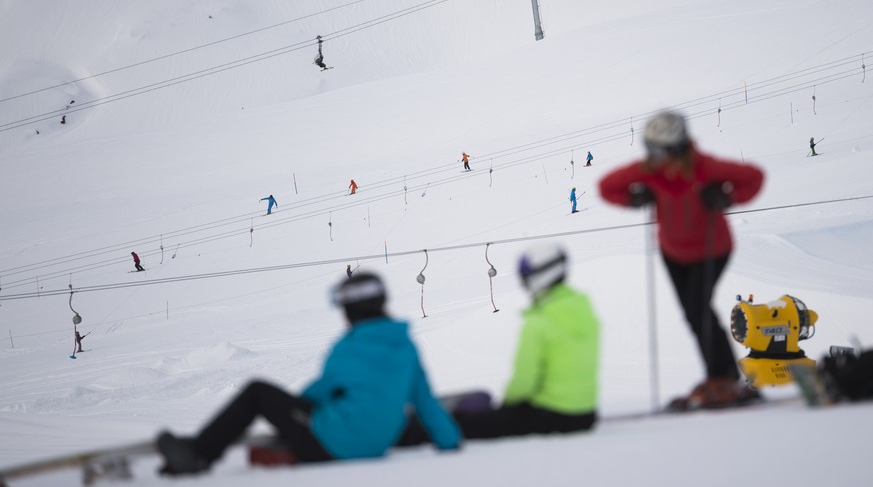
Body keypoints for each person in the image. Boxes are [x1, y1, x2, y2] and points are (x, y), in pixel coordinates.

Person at [156, 272, 461, 475]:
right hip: (378, 446)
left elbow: (321, 391)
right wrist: (450, 442)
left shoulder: (349, 345)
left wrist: (292, 415)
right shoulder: (405, 346)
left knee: (258, 392)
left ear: (348, 310)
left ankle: (198, 455)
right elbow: (425, 401)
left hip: (334, 447)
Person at [598, 110, 764, 409]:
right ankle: (720, 377)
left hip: (712, 249)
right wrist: (633, 198)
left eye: (656, 149)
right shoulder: (649, 171)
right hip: (674, 252)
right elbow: (607, 186)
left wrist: (727, 197)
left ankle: (723, 378)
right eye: (648, 147)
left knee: (698, 310)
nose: (651, 155)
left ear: (676, 146)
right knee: (693, 313)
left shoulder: (705, 168)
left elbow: (753, 178)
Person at [400, 243, 599, 443]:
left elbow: (524, 380)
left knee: (467, 422)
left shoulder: (540, 322)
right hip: (585, 414)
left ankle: (407, 432)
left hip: (551, 415)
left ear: (537, 277)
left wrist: (506, 409)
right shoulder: (585, 311)